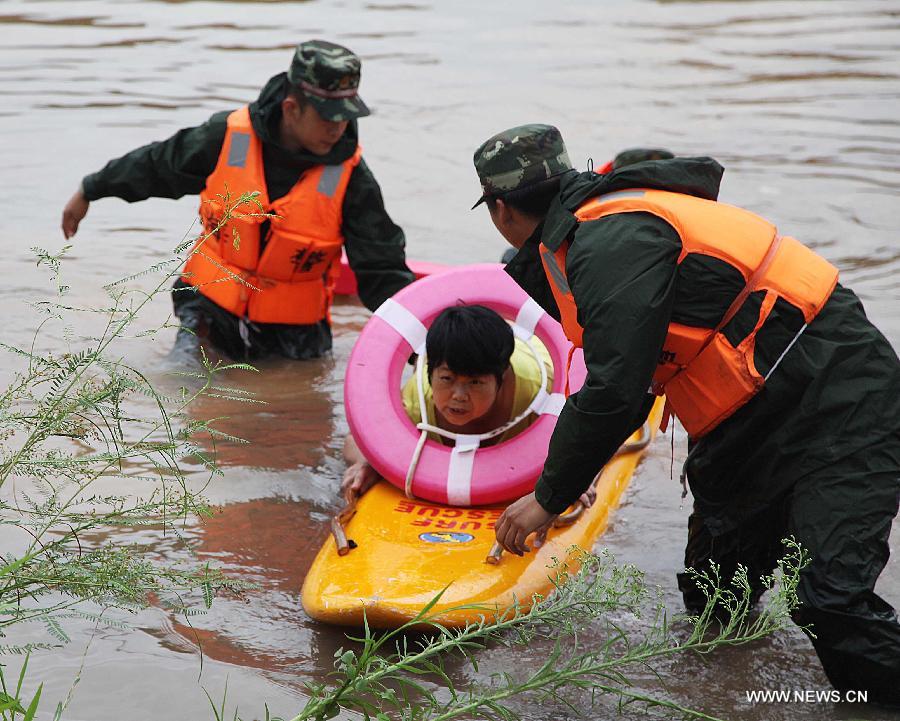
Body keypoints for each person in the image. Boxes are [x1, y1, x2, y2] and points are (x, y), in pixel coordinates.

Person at [470, 124, 900, 703]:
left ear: (499, 209)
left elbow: (617, 389)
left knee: (827, 600)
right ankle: (733, 698)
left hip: (837, 394)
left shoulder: (609, 241)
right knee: (716, 599)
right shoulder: (579, 237)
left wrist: (549, 498)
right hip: (744, 416)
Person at [60, 40, 414, 360]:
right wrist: (90, 189)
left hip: (295, 331)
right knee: (182, 379)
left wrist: (426, 346)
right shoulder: (227, 137)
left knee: (299, 411)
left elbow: (381, 270)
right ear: (292, 108)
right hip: (209, 309)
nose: (339, 129)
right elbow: (159, 165)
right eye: (328, 117)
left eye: (347, 116)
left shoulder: (352, 177)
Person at [342, 303, 595, 507]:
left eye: (475, 383)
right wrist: (370, 460)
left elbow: (593, 432)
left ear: (502, 378)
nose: (458, 395)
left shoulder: (540, 395)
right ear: (430, 372)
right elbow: (359, 437)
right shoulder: (420, 399)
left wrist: (573, 474)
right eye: (446, 379)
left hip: (533, 350)